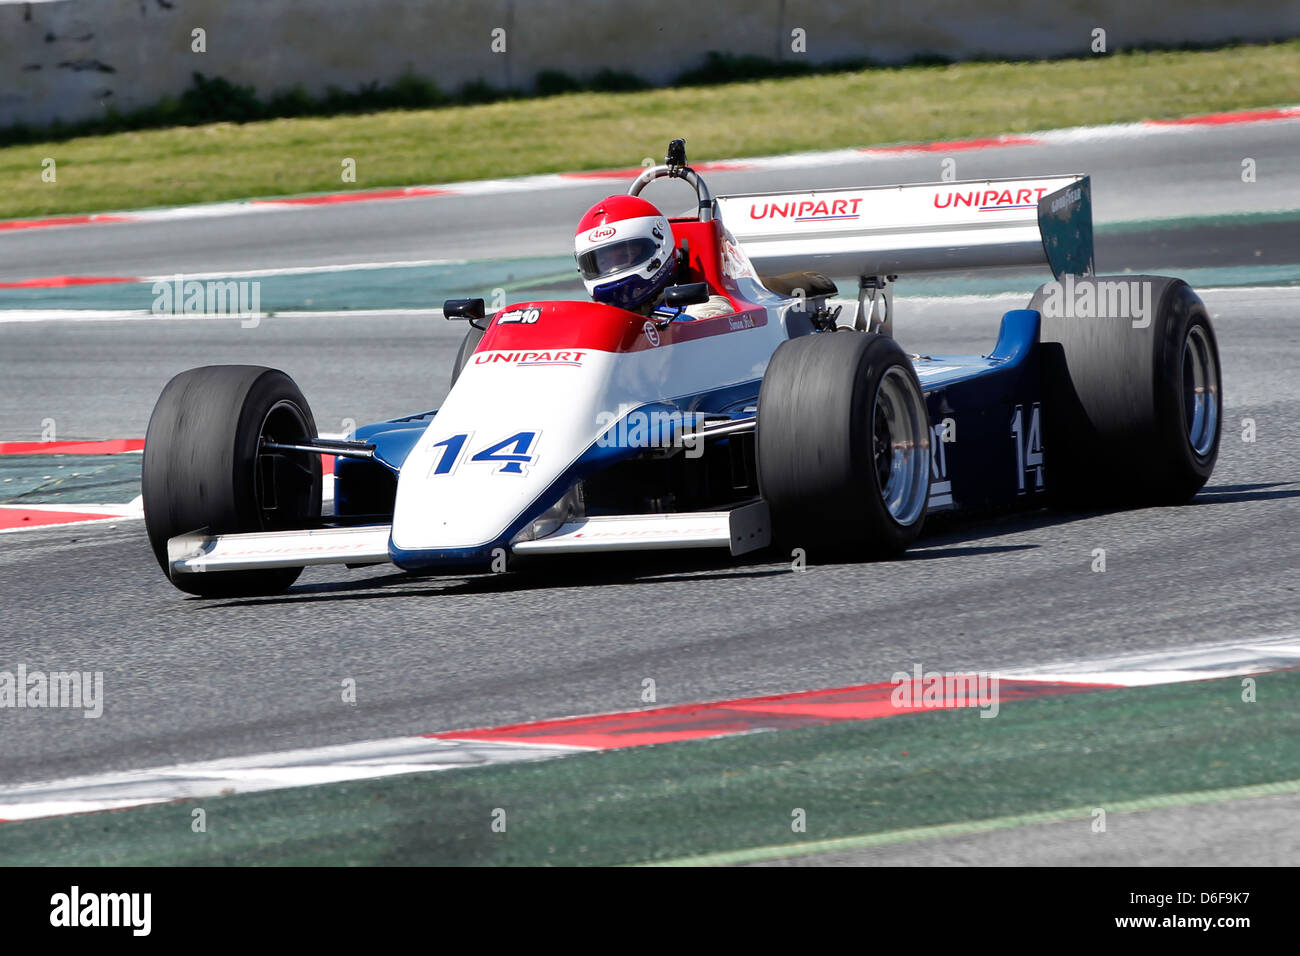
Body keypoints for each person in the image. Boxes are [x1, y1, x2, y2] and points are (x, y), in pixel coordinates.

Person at [574, 195, 733, 319]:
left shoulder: (706, 306)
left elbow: (714, 316)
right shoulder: (594, 319)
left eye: (624, 256)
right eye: (603, 262)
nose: (613, 267)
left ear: (660, 246)